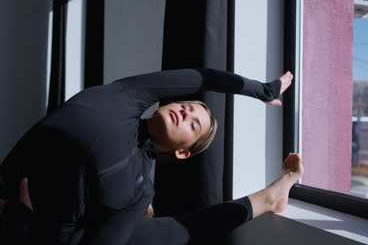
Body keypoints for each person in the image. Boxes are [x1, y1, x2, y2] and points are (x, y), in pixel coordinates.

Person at [0, 68, 296, 244]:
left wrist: (22, 223)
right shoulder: (130, 94)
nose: (186, 112)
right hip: (8, 185)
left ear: (183, 152)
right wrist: (261, 89)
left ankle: (267, 199)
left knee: (168, 232)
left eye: (194, 124)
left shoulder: (139, 191)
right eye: (187, 106)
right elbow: (201, 77)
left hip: (23, 224)